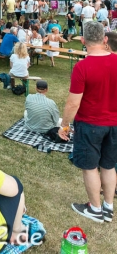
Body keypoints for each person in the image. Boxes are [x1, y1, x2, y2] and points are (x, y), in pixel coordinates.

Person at [58, 22, 117, 223]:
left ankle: (95, 208)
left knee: (90, 167)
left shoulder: (82, 67)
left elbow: (73, 102)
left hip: (90, 124)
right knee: (109, 166)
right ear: (105, 39)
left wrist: (64, 125)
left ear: (83, 41)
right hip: (114, 124)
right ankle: (108, 206)